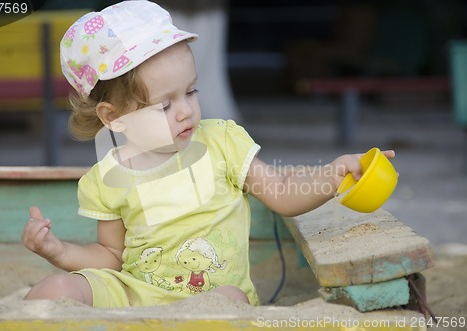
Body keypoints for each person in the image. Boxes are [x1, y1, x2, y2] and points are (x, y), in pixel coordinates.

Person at [21, 0, 395, 308]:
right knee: (55, 291)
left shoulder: (222, 142)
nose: (185, 111)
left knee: (230, 300)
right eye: (164, 105)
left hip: (210, 298)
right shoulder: (105, 179)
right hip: (135, 298)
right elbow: (110, 256)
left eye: (191, 92)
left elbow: (282, 191)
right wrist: (59, 251)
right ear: (114, 118)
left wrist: (333, 174)